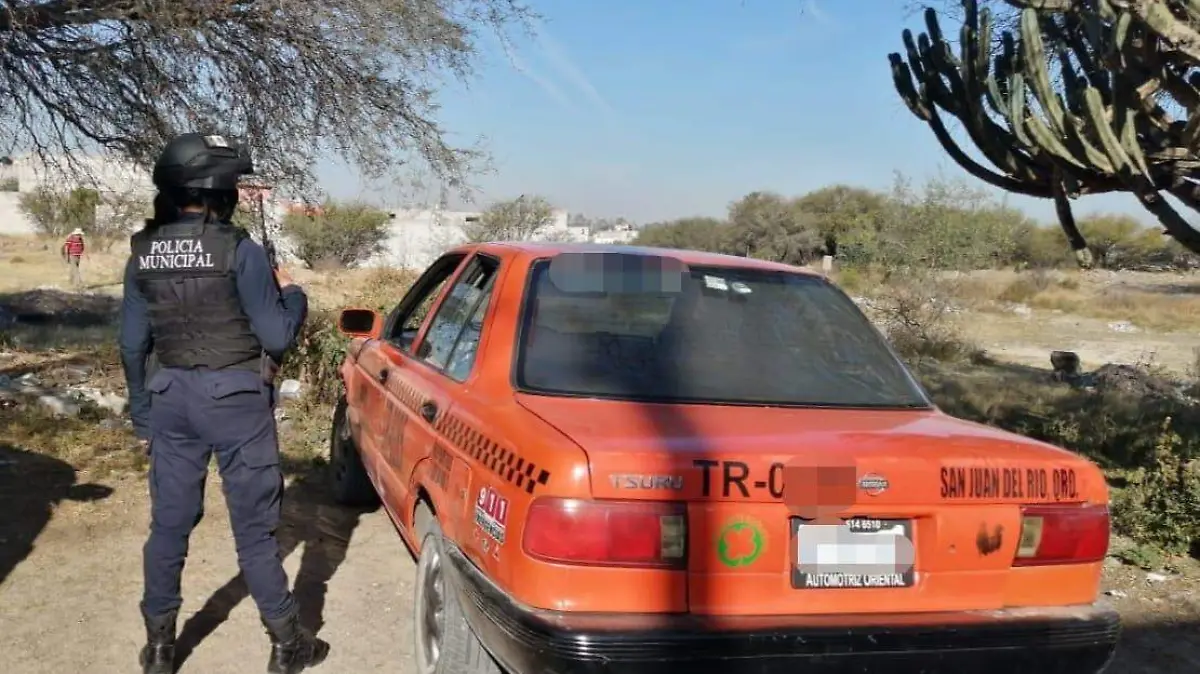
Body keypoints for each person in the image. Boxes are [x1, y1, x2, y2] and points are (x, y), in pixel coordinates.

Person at [118, 133, 328, 674]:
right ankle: (287, 644)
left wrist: (142, 414)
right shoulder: (242, 251)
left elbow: (131, 343)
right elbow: (277, 336)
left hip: (170, 401)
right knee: (254, 532)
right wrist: (296, 294)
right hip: (236, 401)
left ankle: (161, 648)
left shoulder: (143, 252)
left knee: (168, 527)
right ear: (219, 189)